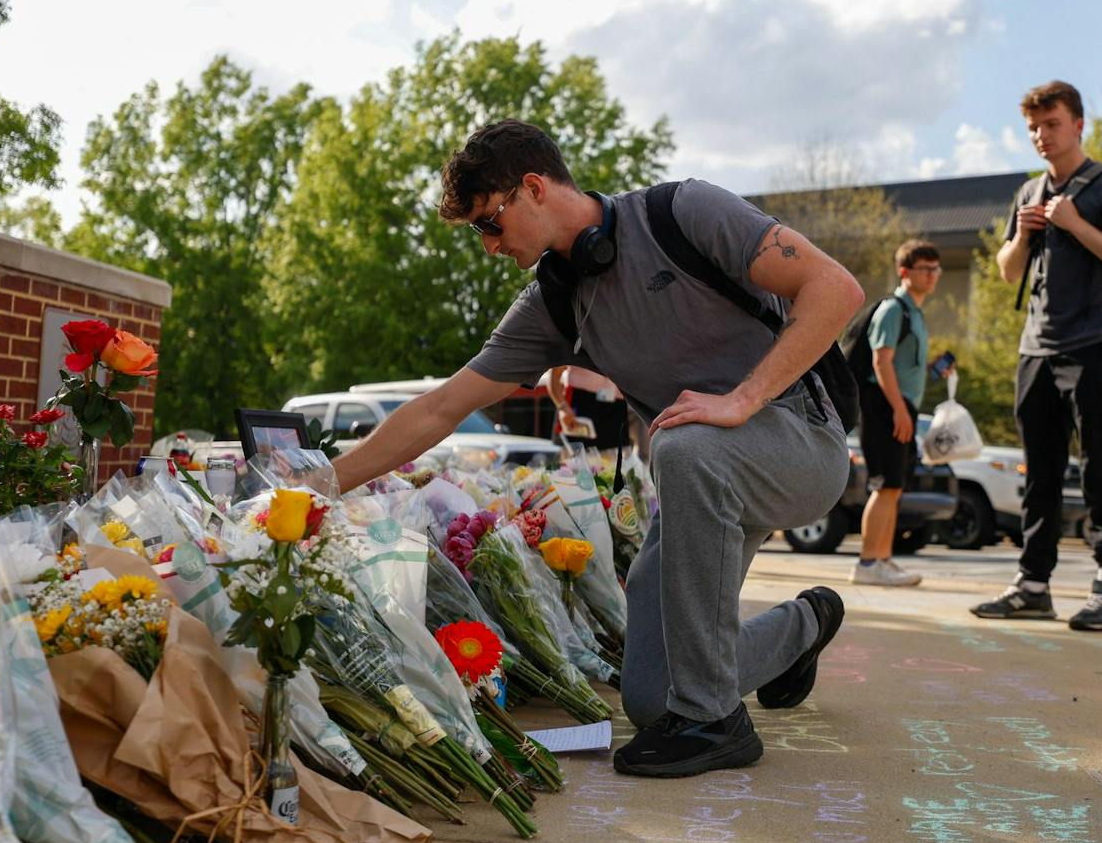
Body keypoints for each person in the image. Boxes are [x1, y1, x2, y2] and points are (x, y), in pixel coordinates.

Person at [332, 119, 863, 778]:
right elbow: (441, 406)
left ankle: (717, 724)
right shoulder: (554, 304)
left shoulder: (683, 213)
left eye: (488, 224)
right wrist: (322, 481)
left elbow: (836, 288)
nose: (489, 246)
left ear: (531, 188)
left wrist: (743, 399)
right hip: (703, 473)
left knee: (685, 444)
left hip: (799, 442)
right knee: (650, 698)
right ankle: (805, 625)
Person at [970, 80, 1102, 631]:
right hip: (1036, 348)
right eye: (1033, 127)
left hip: (1094, 343)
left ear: (1078, 125)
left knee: (1101, 465)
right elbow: (1006, 271)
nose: (1041, 136)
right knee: (1040, 472)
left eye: (1051, 124)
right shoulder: (1027, 192)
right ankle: (1033, 584)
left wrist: (1077, 225)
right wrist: (1022, 238)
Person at [851, 240, 942, 588]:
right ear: (905, 272)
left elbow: (902, 364)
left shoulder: (915, 314)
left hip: (899, 403)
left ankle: (883, 559)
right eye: (925, 269)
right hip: (884, 404)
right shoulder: (893, 310)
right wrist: (899, 410)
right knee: (884, 484)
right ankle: (868, 562)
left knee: (894, 487)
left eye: (936, 269)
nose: (933, 275)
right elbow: (880, 361)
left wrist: (933, 370)